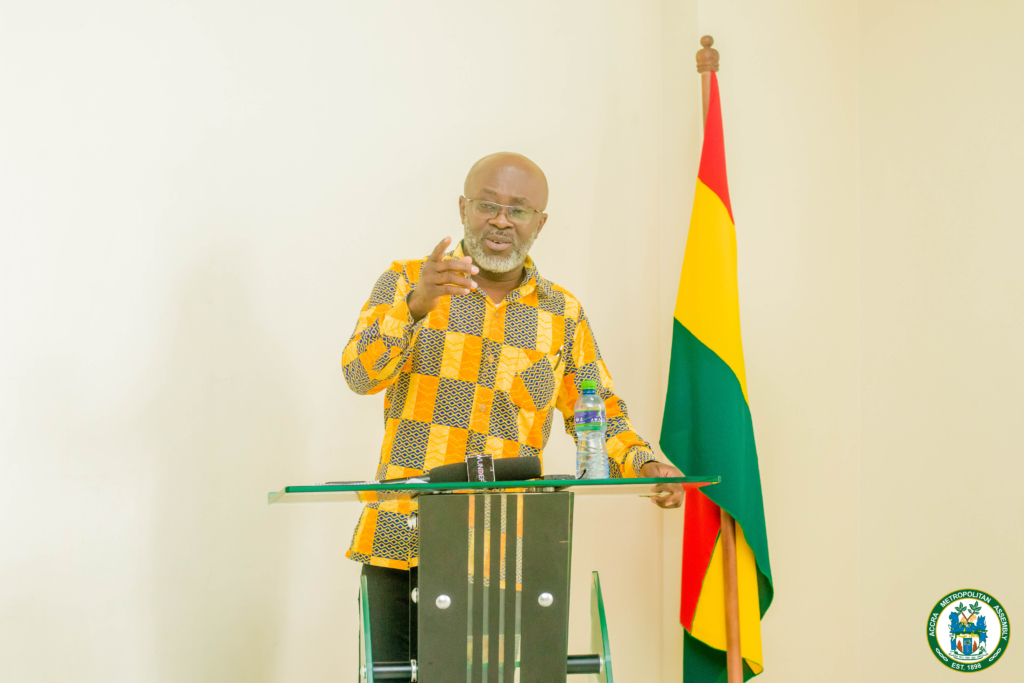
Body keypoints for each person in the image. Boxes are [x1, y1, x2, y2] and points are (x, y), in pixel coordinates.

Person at [341, 152, 684, 663]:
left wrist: (644, 463)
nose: (501, 221)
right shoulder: (408, 282)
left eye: (518, 210)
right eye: (488, 205)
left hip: (507, 548)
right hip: (405, 539)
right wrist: (413, 308)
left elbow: (598, 412)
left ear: (539, 223)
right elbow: (359, 375)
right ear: (463, 208)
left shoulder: (562, 313)